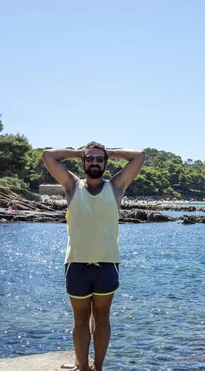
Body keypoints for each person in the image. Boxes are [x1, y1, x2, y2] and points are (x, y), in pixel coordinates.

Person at [43, 142, 145, 371]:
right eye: (90, 159)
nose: (95, 162)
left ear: (106, 163)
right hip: (76, 263)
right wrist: (78, 152)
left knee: (101, 318)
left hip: (107, 263)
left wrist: (111, 151)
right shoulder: (71, 186)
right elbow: (48, 156)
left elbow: (138, 156)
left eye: (100, 159)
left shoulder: (116, 187)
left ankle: (97, 367)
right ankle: (83, 367)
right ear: (83, 163)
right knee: (80, 320)